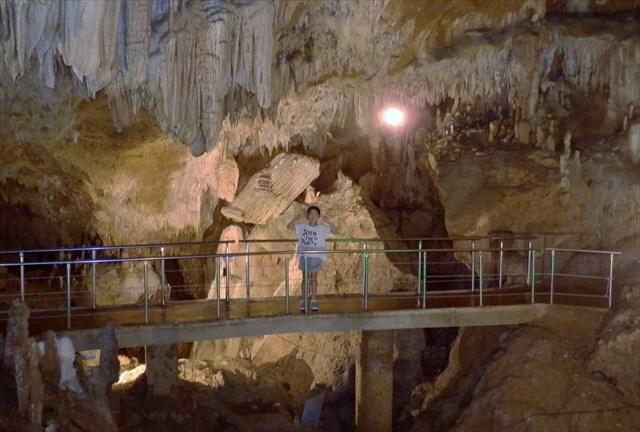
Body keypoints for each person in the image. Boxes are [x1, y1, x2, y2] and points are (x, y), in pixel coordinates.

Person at [287, 206, 336, 312]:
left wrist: (328, 221)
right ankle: (304, 299)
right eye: (311, 214)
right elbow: (289, 226)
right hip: (304, 256)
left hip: (316, 256)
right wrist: (296, 218)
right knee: (304, 278)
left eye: (315, 214)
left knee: (314, 278)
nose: (313, 216)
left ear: (318, 216)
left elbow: (334, 230)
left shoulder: (322, 228)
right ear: (307, 215)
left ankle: (313, 299)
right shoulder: (302, 227)